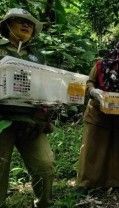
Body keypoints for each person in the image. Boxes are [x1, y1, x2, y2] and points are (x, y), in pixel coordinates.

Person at [0, 8, 54, 208]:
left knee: (45, 166)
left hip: (31, 120)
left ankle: (43, 204)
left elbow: (44, 87)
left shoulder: (37, 56)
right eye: (20, 21)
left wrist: (47, 108)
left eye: (30, 23)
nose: (26, 26)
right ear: (7, 25)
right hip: (2, 119)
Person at [76, 41, 119, 189]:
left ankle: (113, 182)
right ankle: (88, 183)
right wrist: (94, 91)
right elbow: (89, 83)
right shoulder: (100, 65)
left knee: (115, 149)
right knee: (93, 149)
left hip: (118, 116)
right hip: (98, 113)